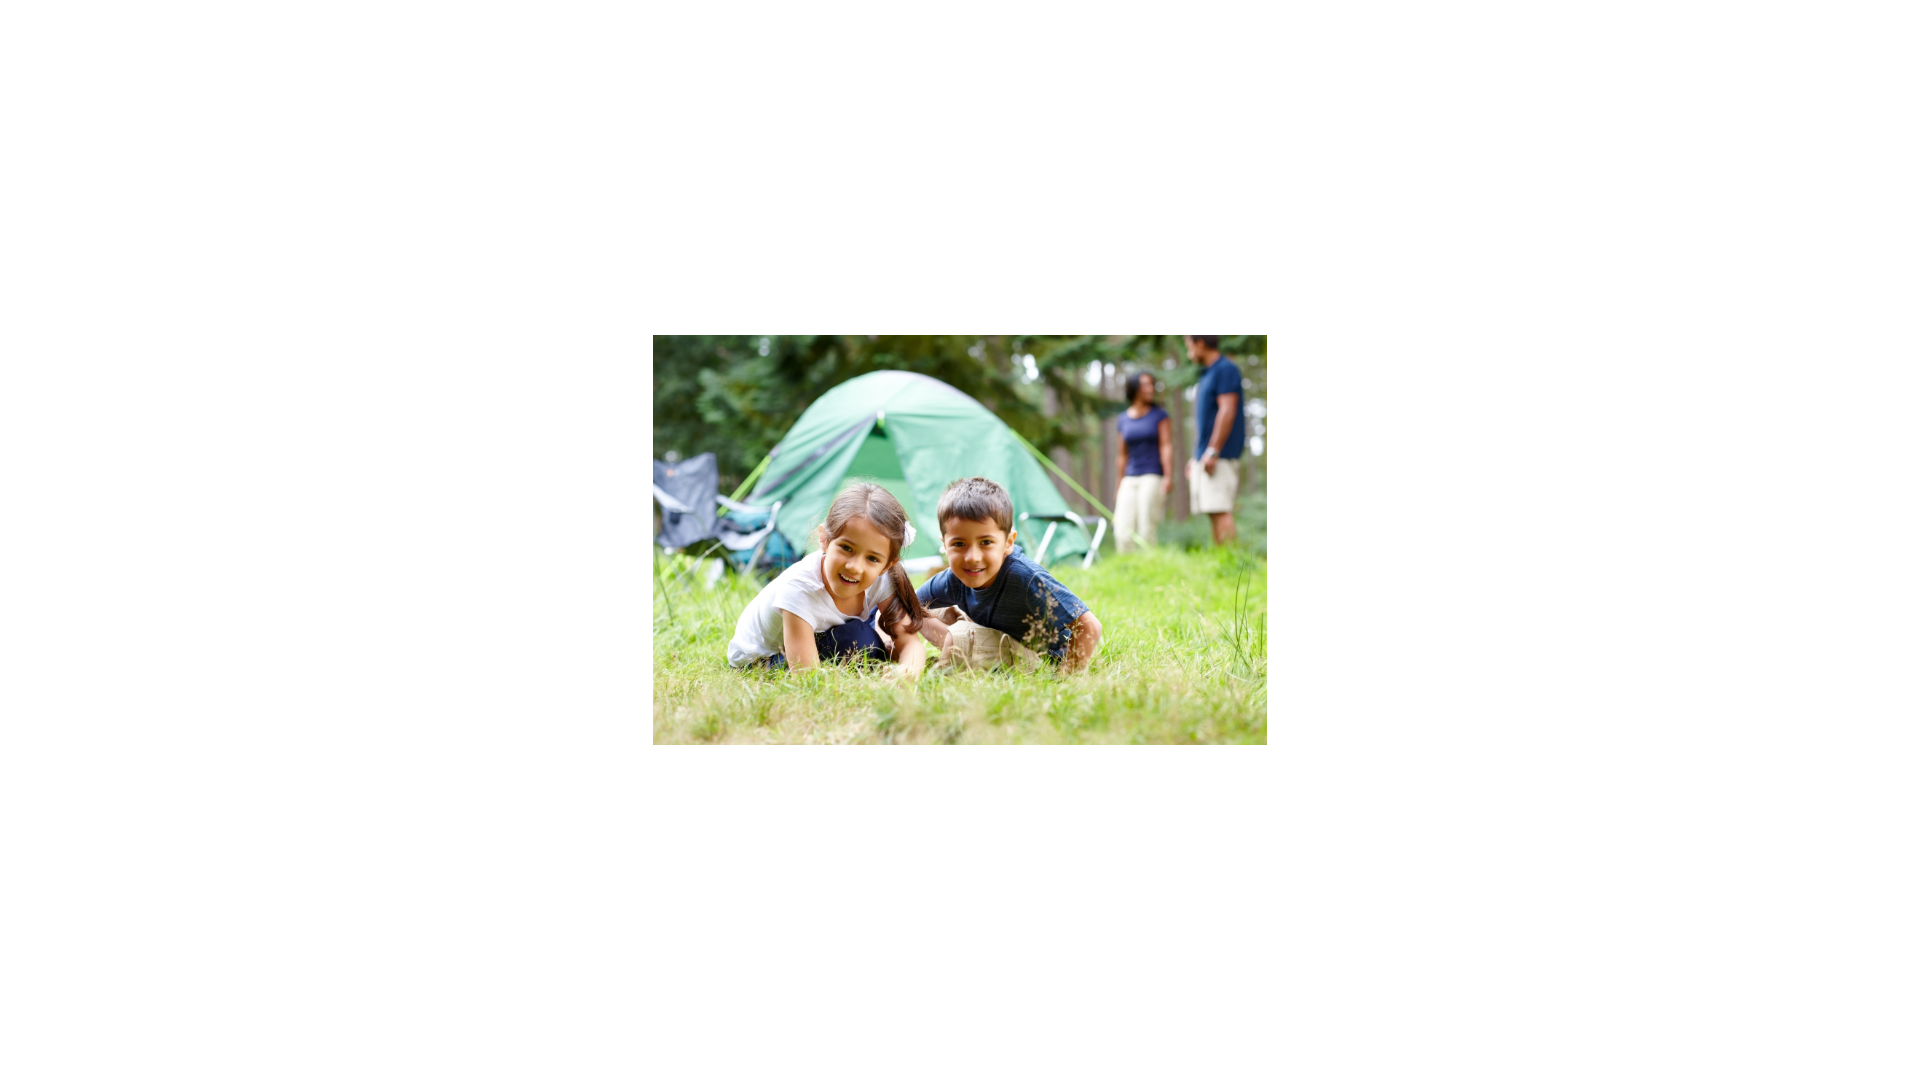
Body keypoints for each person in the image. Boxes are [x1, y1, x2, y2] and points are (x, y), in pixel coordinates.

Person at [726, 483, 932, 676]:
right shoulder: (800, 589)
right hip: (760, 660)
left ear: (887, 565)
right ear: (824, 541)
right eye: (846, 548)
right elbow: (807, 675)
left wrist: (906, 674)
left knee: (867, 639)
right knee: (862, 642)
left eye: (872, 558)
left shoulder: (883, 579)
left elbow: (910, 643)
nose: (854, 567)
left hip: (821, 632)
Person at [914, 477, 1103, 674]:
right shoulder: (952, 578)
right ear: (944, 545)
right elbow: (908, 602)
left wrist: (1066, 679)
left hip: (1038, 656)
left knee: (956, 633)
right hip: (997, 640)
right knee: (923, 612)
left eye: (986, 542)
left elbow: (1090, 627)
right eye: (959, 544)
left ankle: (954, 660)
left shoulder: (1026, 577)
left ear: (1008, 543)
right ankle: (956, 657)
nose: (972, 557)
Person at [1185, 335, 1245, 546]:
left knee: (1220, 509)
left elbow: (1227, 410)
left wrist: (1213, 450)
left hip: (1221, 454)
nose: (1188, 352)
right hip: (1207, 453)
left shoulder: (1225, 369)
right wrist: (1196, 456)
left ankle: (1233, 565)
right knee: (1212, 509)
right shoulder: (1208, 374)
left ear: (1200, 343)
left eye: (1189, 346)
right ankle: (1224, 560)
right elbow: (1206, 422)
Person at [1112, 372, 1173, 553]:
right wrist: (1118, 484)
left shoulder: (1159, 415)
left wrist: (1168, 476)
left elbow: (1166, 446)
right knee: (1121, 531)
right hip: (1130, 477)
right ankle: (1129, 569)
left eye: (1151, 384)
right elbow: (1122, 455)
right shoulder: (1123, 419)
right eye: (1145, 384)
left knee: (1146, 528)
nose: (1150, 388)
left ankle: (1149, 569)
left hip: (1152, 474)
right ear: (1135, 389)